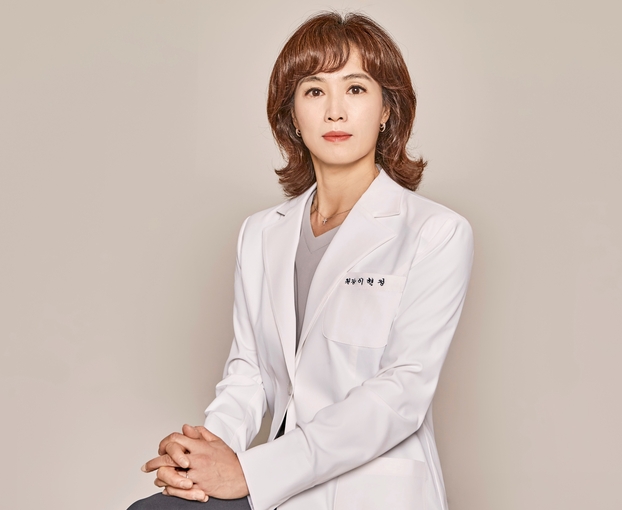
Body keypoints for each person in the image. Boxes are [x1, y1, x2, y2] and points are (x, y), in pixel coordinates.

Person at [130, 11, 473, 510]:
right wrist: (200, 455)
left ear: (386, 109)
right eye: (314, 91)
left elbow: (400, 394)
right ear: (291, 114)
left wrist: (250, 472)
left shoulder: (435, 232)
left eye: (355, 89)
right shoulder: (260, 233)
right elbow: (249, 372)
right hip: (282, 490)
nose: (335, 112)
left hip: (371, 492)